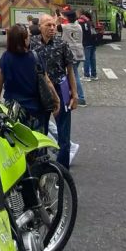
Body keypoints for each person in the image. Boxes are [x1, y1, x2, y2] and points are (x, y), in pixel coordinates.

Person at [31, 14, 79, 168]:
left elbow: (70, 71)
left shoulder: (62, 44)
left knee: (64, 134)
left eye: (53, 25)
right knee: (41, 132)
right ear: (40, 27)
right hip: (41, 91)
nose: (52, 28)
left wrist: (75, 94)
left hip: (61, 88)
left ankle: (62, 168)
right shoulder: (32, 44)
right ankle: (42, 167)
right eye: (48, 25)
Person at [0, 24, 57, 129]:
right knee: (36, 137)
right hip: (35, 109)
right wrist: (56, 99)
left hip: (13, 109)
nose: (30, 38)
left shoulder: (6, 57)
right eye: (28, 36)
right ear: (24, 40)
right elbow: (47, 81)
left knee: (14, 136)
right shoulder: (35, 57)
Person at [60, 12, 87, 106]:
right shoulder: (78, 26)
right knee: (73, 74)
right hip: (79, 52)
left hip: (71, 53)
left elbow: (56, 27)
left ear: (68, 18)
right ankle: (72, 93)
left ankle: (81, 97)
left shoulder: (66, 27)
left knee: (74, 75)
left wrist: (58, 18)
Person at [78, 10, 99, 81]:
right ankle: (94, 75)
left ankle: (86, 75)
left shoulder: (82, 22)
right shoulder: (90, 22)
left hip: (86, 43)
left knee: (86, 59)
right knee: (92, 59)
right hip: (93, 42)